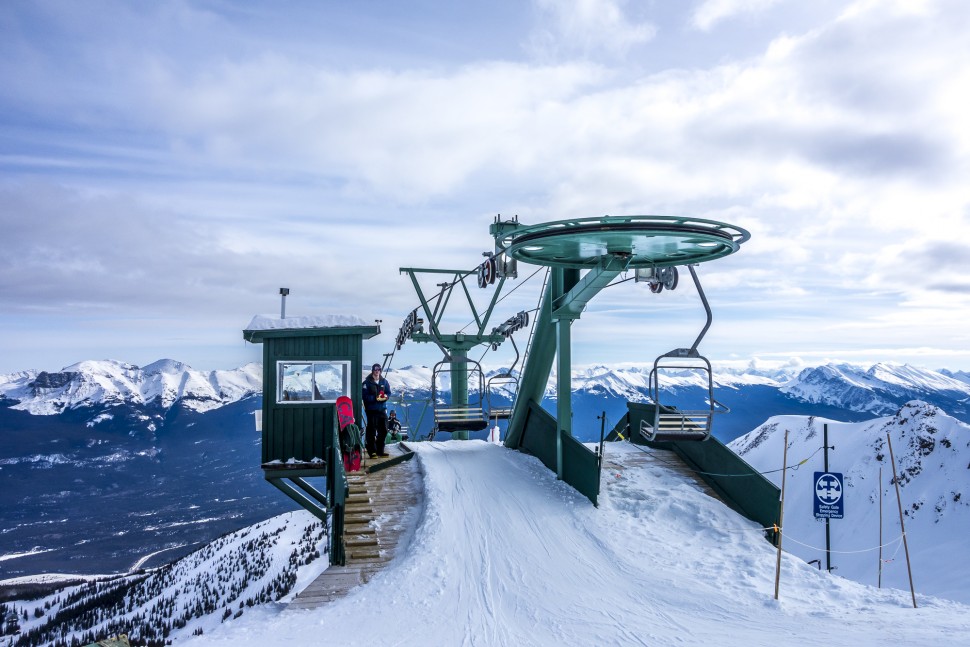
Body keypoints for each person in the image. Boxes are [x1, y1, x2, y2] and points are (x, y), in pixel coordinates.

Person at [362, 362, 391, 458]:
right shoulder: (366, 383)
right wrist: (375, 398)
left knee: (383, 430)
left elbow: (388, 392)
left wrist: (386, 397)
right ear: (372, 371)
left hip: (382, 409)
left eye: (378, 370)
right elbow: (364, 396)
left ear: (380, 371)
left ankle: (380, 450)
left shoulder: (384, 382)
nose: (377, 371)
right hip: (371, 410)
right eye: (375, 370)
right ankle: (372, 452)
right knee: (371, 431)